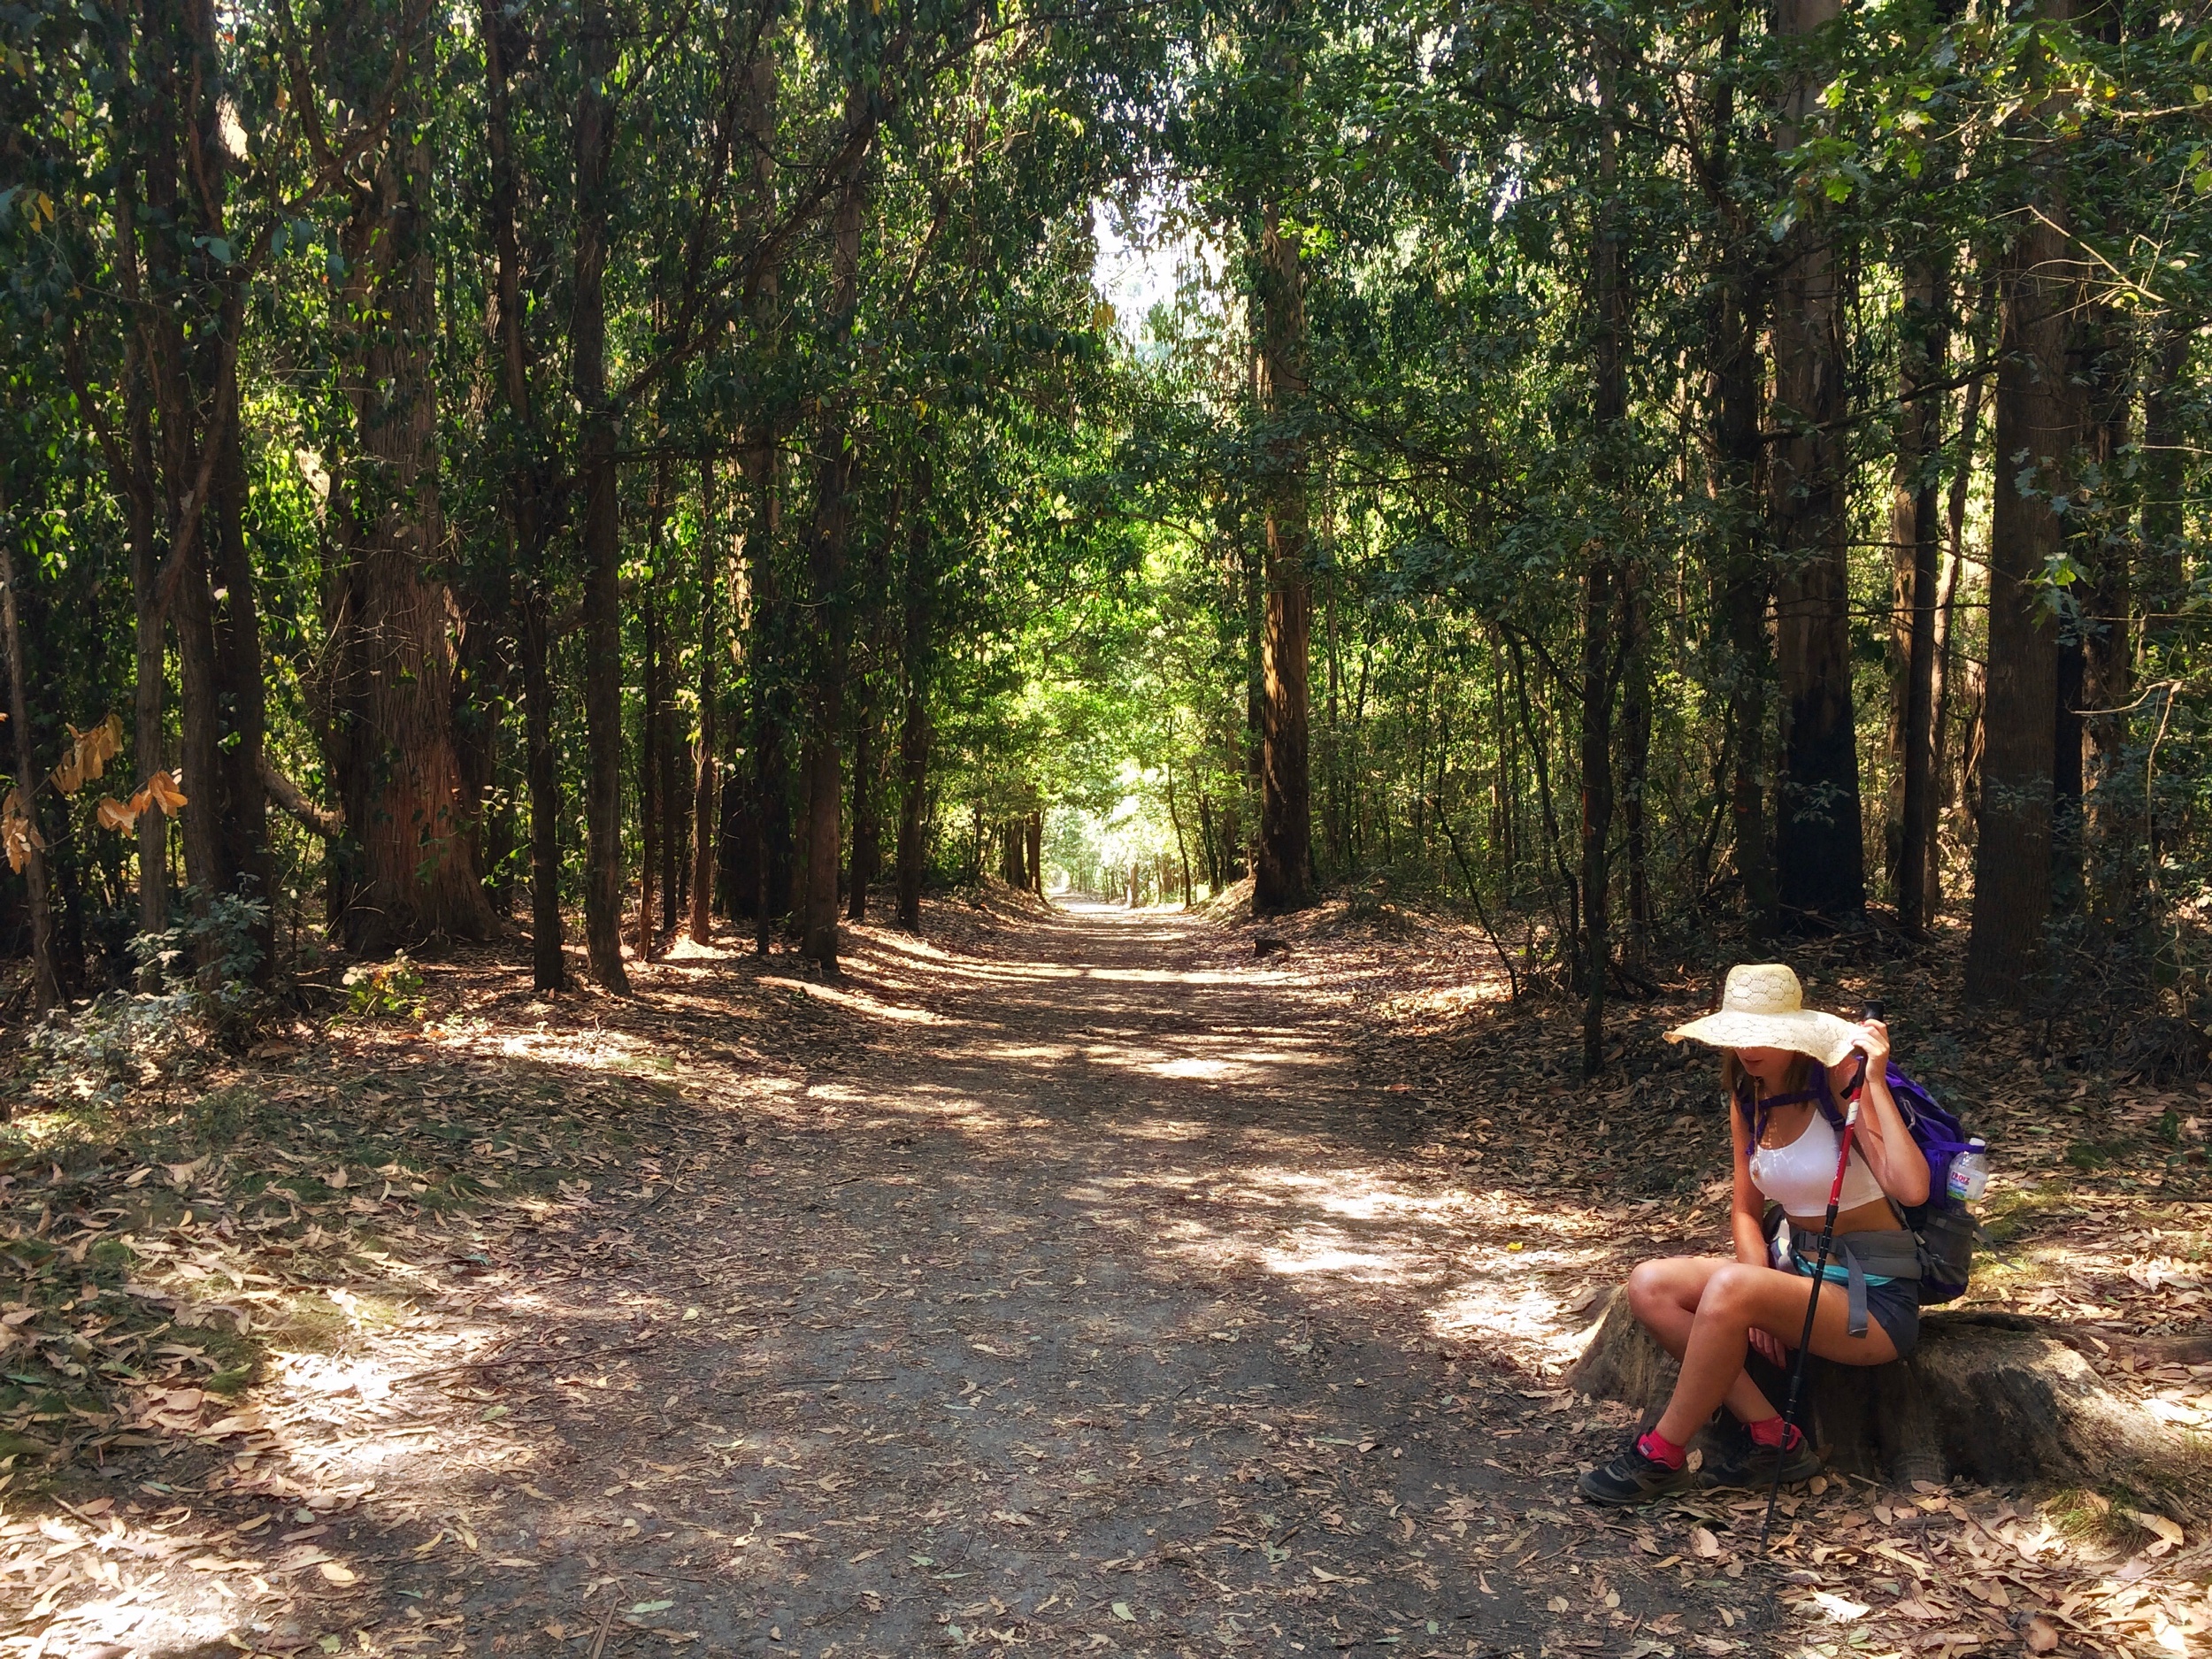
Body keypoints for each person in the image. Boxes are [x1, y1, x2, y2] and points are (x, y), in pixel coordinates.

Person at [1576, 963, 1931, 1506]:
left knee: (1728, 1290)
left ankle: (1661, 1455)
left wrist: (1874, 1082)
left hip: (1873, 1300)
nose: (1749, 1048)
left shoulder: (1839, 1086)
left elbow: (1911, 1189)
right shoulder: (1750, 1099)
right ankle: (1774, 1438)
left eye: (1765, 1035)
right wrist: (1761, 1283)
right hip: (1798, 1275)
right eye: (1740, 1035)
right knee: (1650, 1285)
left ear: (1796, 1038)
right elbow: (1746, 1208)